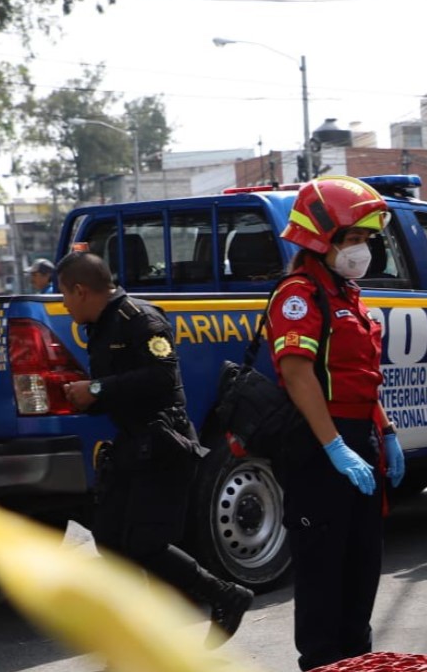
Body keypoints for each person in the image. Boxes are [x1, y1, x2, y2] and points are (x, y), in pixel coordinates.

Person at [58, 252, 253, 648]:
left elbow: (161, 376)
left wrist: (97, 390)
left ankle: (226, 596)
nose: (62, 303)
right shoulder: (99, 325)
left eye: (63, 294)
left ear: (80, 290)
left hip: (164, 444)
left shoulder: (141, 320)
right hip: (133, 443)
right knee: (110, 538)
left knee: (146, 544)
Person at [263, 176, 405, 670]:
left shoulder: (347, 293)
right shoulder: (298, 295)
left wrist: (384, 432)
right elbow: (298, 375)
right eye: (353, 239)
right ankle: (324, 663)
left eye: (367, 240)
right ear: (321, 239)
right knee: (323, 571)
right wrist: (334, 447)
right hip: (320, 443)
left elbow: (360, 378)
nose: (362, 249)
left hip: (358, 434)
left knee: (361, 564)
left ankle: (357, 660)